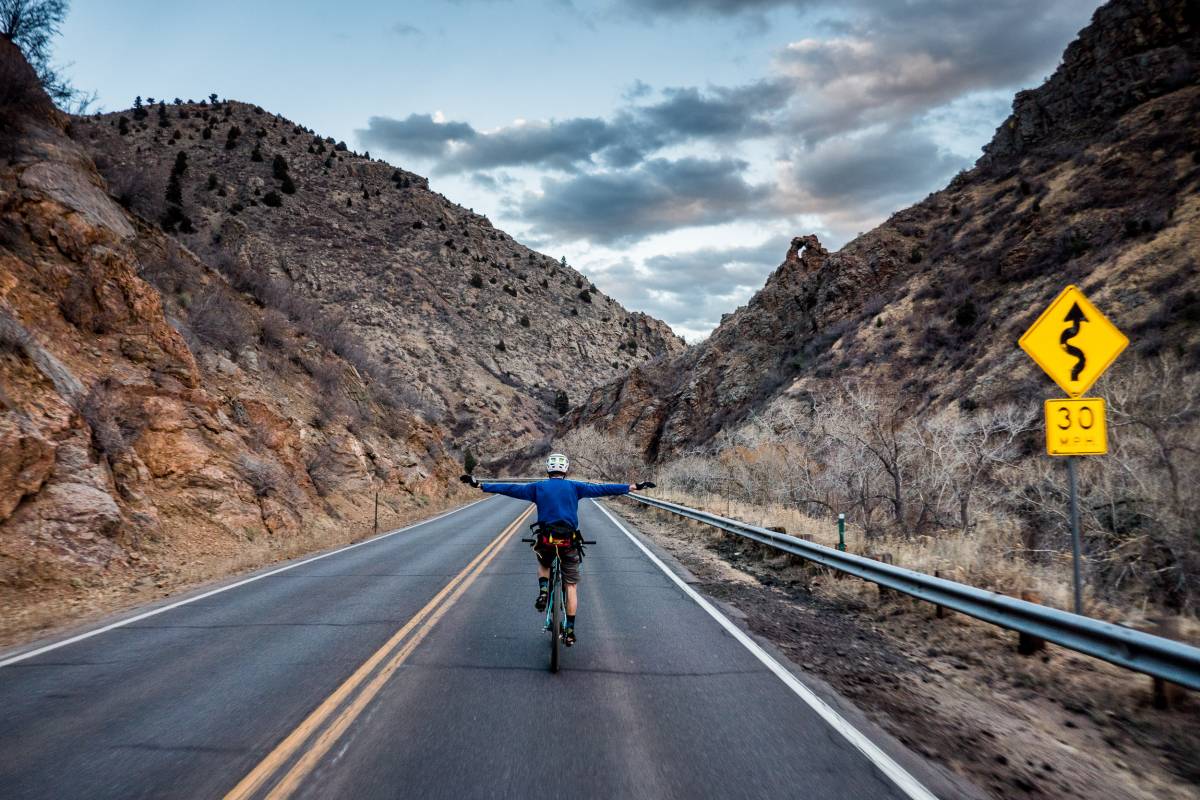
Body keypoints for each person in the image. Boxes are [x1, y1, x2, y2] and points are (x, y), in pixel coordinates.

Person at [460, 453, 654, 646]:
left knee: (543, 560)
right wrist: (632, 486)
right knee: (571, 586)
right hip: (569, 541)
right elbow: (601, 489)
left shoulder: (538, 487)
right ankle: (569, 630)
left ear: (548, 469)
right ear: (565, 470)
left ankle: (544, 590)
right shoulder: (575, 487)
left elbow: (510, 488)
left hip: (547, 539)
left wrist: (480, 485)